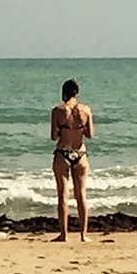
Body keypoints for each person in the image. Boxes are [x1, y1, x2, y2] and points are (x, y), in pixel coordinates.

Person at [50, 79, 94, 243]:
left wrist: (64, 130)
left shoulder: (58, 111)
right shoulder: (86, 110)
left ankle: (64, 235)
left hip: (63, 153)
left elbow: (54, 136)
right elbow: (90, 134)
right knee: (81, 194)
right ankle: (83, 235)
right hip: (80, 154)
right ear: (77, 93)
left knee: (63, 195)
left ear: (64, 93)